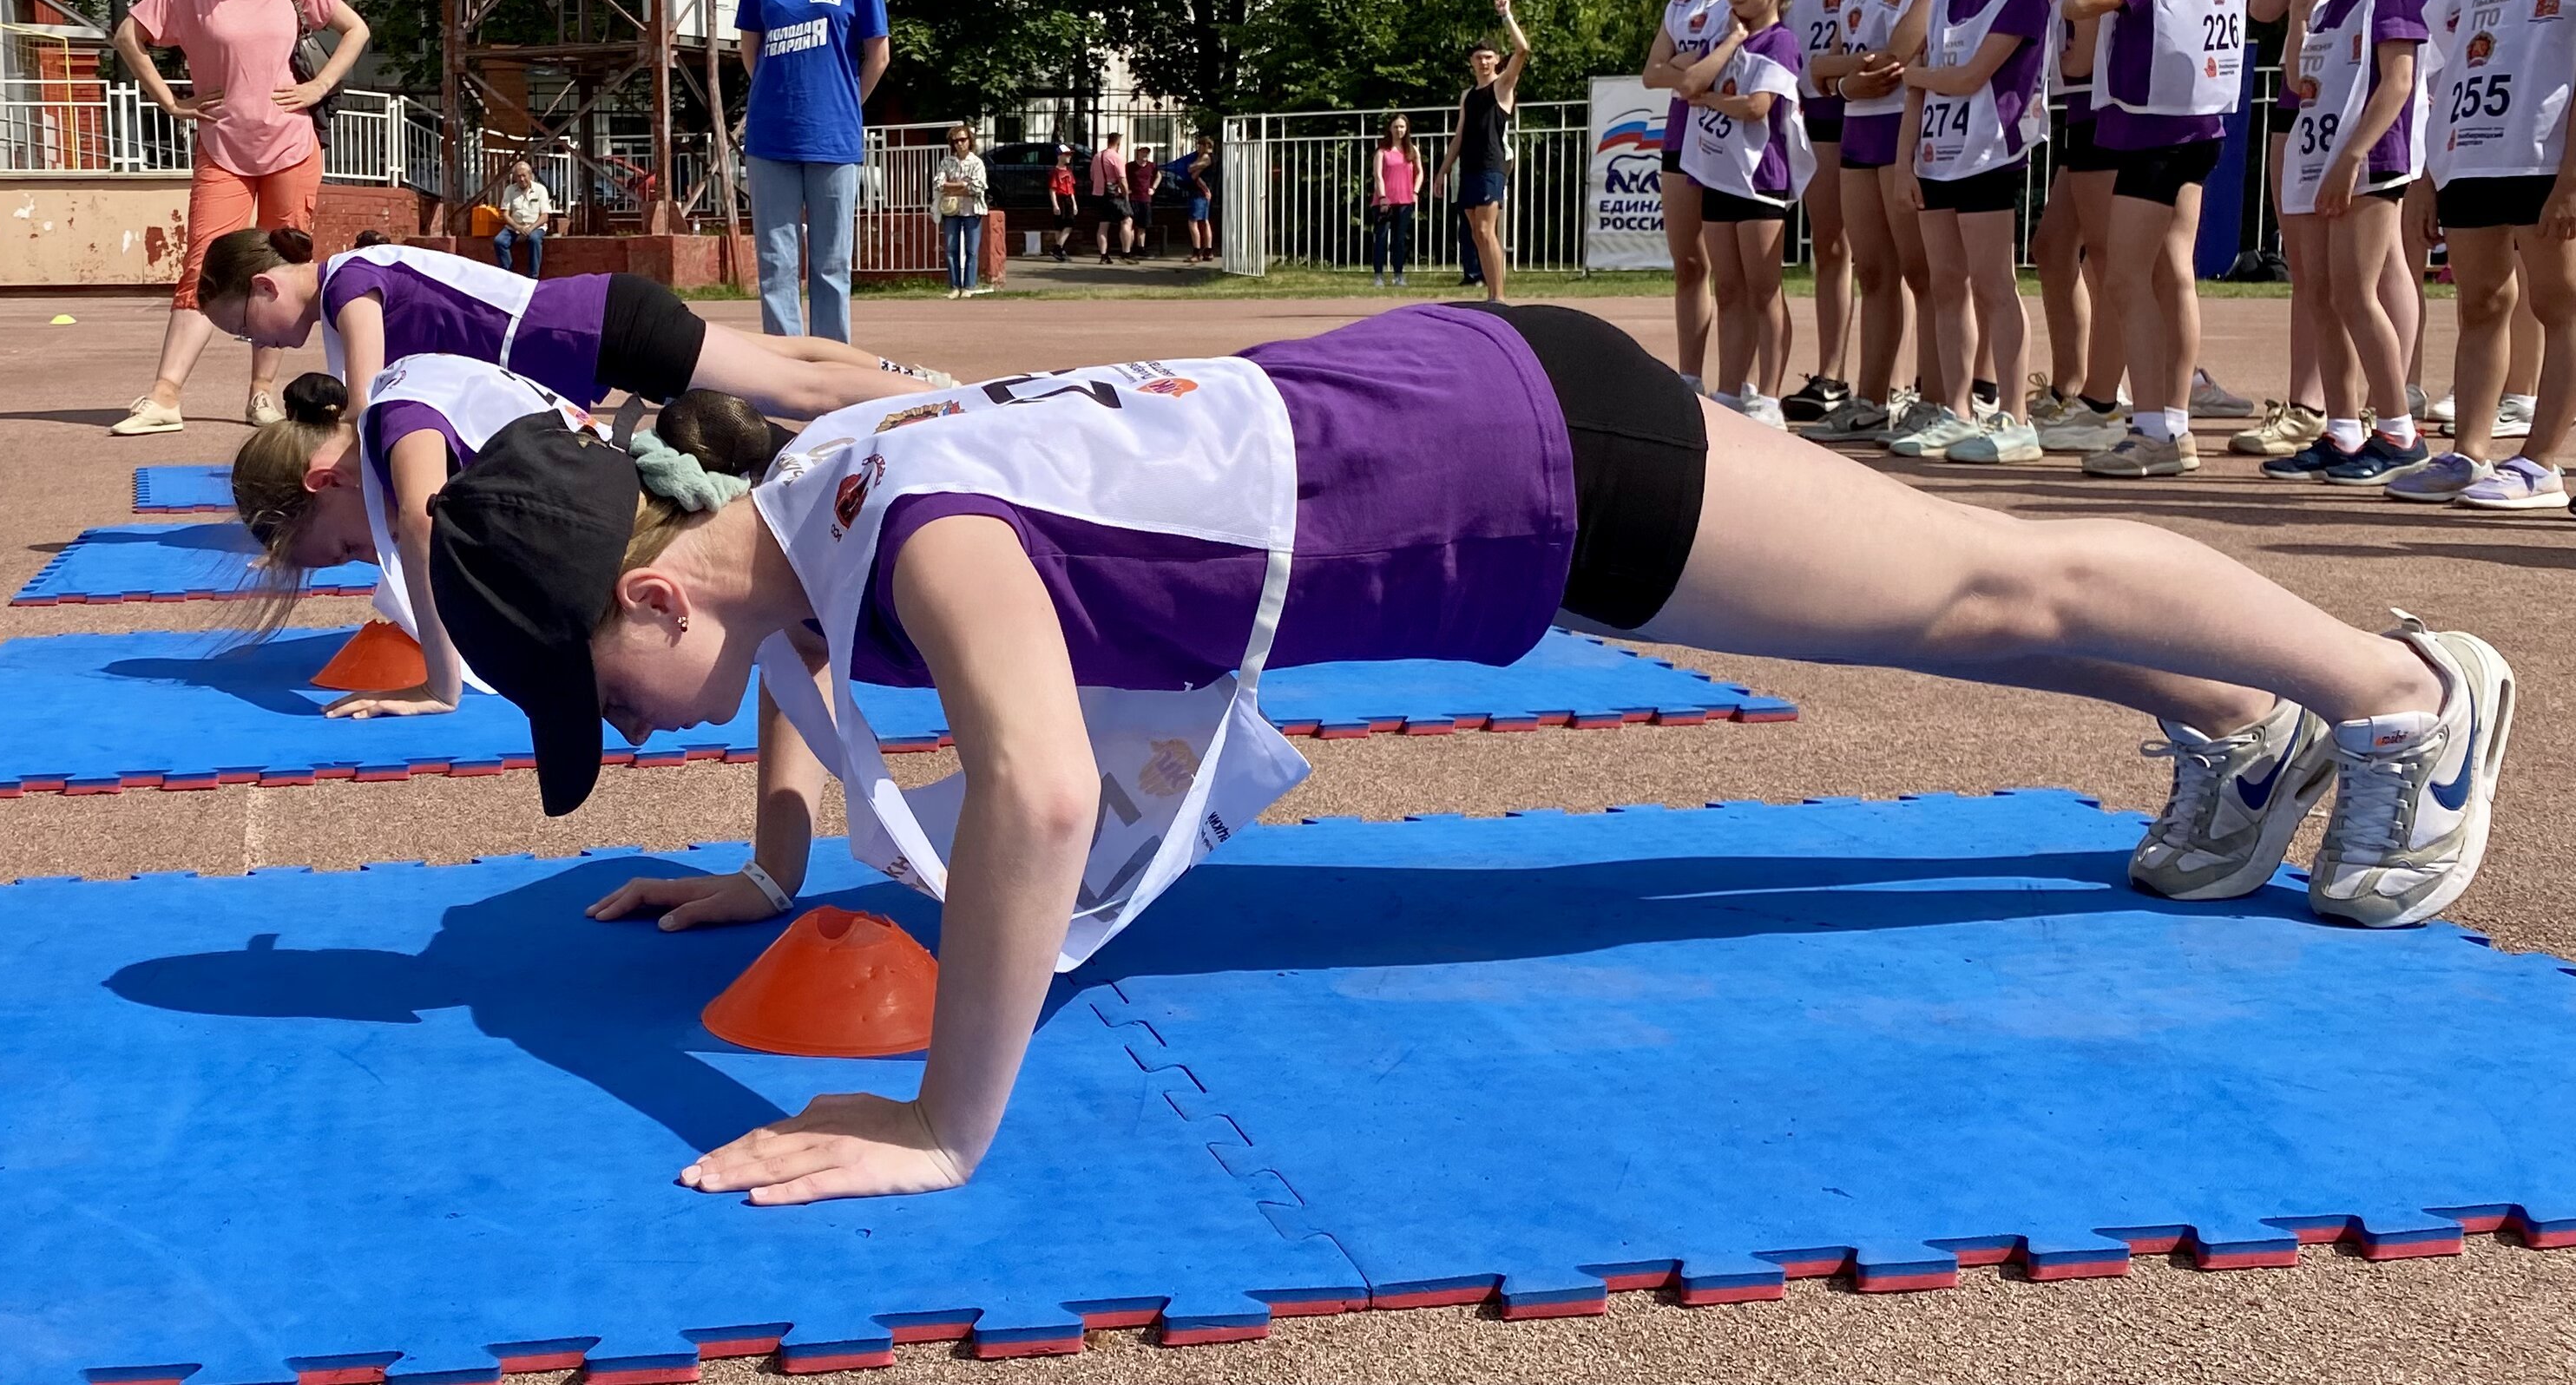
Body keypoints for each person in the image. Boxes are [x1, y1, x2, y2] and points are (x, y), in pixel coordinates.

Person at [424, 302, 2514, 1208]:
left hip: (1521, 459)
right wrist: (769, 880)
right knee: (1969, 594)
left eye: (605, 706)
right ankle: (2237, 728)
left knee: (1982, 590)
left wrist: (936, 1130)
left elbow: (1041, 798)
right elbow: (780, 681)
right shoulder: (789, 510)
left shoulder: (906, 534)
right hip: (1447, 438)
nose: (625, 741)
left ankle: (2400, 691)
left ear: (655, 595)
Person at [233, 361, 779, 718]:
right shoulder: (390, 400)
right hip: (613, 496)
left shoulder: (398, 422)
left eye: (346, 549)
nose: (370, 554)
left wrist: (437, 686)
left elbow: (425, 523)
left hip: (626, 515)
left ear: (326, 480)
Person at [2247, 0, 2472, 450]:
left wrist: (2356, 150)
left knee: (2377, 271)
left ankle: (2389, 411)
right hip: (2314, 106)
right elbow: (2269, 5)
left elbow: (2394, 31)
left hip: (2377, 125)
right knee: (2317, 276)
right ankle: (2327, 415)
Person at [108, 0, 371, 436]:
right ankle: (165, 397)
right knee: (203, 263)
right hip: (222, 148)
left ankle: (261, 396)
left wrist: (318, 86)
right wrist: (171, 101)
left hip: (293, 147)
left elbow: (355, 29)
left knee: (280, 272)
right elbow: (128, 36)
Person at [193, 230, 943, 421]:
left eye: (245, 325)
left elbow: (366, 407)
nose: (256, 342)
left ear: (265, 283)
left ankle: (942, 404)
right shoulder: (352, 277)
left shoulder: (348, 288)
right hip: (602, 318)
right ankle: (931, 385)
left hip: (599, 329)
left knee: (796, 392)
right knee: (790, 358)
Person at [2395, 0, 2576, 509]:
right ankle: (2468, 452)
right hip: (2471, 158)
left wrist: (2569, 181)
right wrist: (2428, 178)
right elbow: (2444, 76)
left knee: (2558, 305)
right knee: (2480, 303)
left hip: (2544, 163)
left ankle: (2540, 461)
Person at [2062, 0, 2249, 478]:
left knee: (2126, 279)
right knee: (2176, 275)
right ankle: (2173, 422)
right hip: (2202, 127)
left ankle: (2154, 432)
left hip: (2151, 133)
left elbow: (2081, 2)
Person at [2260, 0, 2433, 487]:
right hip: (2316, 157)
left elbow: (2399, 83)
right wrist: (2302, 11)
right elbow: (2296, 80)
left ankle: (2397, 429)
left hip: (2367, 163)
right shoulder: (2331, 4)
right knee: (2322, 296)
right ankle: (2342, 428)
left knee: (2357, 295)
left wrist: (2353, 157)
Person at [1891, 0, 2054, 464]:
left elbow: (1967, 77)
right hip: (1937, 156)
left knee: (1993, 285)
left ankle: (2015, 416)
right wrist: (1905, 160)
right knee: (1946, 285)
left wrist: (1911, 73)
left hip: (1988, 154)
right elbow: (1922, 91)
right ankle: (1955, 411)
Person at [1803, 0, 1959, 443]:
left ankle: (1938, 398)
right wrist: (1844, 72)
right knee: (1873, 269)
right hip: (1859, 126)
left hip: (1908, 126)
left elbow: (1900, 51)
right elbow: (1823, 65)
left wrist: (1841, 69)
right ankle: (1870, 397)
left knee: (1923, 273)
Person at [737, 0, 890, 344]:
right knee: (776, 266)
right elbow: (749, 48)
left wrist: (843, 103)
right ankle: (784, 377)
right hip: (770, 137)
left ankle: (830, 372)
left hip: (834, 137)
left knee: (830, 266)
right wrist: (776, 97)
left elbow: (878, 54)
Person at [2033, 0, 2138, 456]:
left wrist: (2074, 58)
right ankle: (2081, 384)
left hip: (2097, 97)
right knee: (2054, 243)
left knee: (2106, 253)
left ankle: (2107, 394)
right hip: (2108, 95)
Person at [1679, 0, 1807, 424]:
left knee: (1764, 289)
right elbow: (1688, 86)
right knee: (1729, 289)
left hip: (1760, 179)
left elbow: (1758, 107)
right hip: (1719, 176)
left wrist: (1711, 100)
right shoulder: (1729, 39)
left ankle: (1769, 394)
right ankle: (1730, 389)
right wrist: (1730, 42)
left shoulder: (1782, 41)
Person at [1781, 0, 1885, 423]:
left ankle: (1909, 377)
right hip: (1820, 108)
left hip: (1880, 106)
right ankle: (1831, 373)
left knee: (1890, 256)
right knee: (1830, 245)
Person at [1643, 0, 1764, 384]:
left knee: (1741, 275)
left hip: (1735, 137)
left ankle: (1744, 385)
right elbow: (1653, 75)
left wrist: (1685, 68)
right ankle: (1688, 379)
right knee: (1689, 263)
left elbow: (1726, 68)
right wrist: (1689, 68)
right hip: (1681, 133)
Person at [1437, 0, 1533, 305]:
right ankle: (1491, 293)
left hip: (1493, 164)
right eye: (1479, 57)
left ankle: (1499, 297)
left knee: (1485, 228)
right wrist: (1443, 171)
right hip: (1469, 166)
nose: (1484, 62)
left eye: (1489, 57)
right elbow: (1460, 135)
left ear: (1497, 60)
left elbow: (1523, 50)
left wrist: (1507, 16)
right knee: (1477, 234)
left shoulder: (1503, 86)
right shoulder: (1468, 95)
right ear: (1472, 62)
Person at [934, 125, 989, 299]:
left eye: (963, 140)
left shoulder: (977, 163)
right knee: (951, 249)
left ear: (969, 141)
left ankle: (969, 286)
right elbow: (938, 184)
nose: (959, 144)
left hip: (972, 211)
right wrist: (962, 185)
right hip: (951, 211)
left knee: (971, 250)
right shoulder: (947, 162)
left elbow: (978, 187)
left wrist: (954, 188)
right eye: (956, 141)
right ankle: (955, 286)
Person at [1370, 113, 1423, 288]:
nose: (1399, 130)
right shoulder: (1382, 151)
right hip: (1384, 202)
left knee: (1399, 240)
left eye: (1402, 127)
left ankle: (1398, 275)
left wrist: (1415, 191)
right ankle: (1378, 275)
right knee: (1381, 238)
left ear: (1406, 129)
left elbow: (1420, 172)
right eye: (1396, 127)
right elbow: (1378, 175)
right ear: (1390, 129)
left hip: (1405, 201)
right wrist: (1383, 197)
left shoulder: (1412, 150)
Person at [493, 159, 557, 278]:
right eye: (518, 176)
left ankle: (533, 275)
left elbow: (545, 216)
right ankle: (508, 274)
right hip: (514, 227)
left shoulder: (540, 190)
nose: (522, 179)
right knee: (499, 241)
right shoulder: (510, 190)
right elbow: (505, 214)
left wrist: (531, 228)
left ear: (530, 175)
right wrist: (518, 227)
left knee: (534, 240)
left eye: (524, 175)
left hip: (535, 226)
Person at [1089, 133, 1132, 265]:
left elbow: (1092, 176)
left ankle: (1103, 255)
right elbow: (1122, 179)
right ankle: (1126, 253)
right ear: (1118, 143)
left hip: (1099, 194)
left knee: (1103, 225)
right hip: (1114, 195)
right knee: (1126, 220)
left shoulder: (1097, 156)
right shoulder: (1117, 157)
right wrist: (1126, 194)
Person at [1180, 134, 1218, 262]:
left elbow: (1192, 172)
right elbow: (1192, 170)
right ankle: (1208, 250)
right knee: (1205, 221)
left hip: (1199, 193)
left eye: (1200, 146)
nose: (1198, 148)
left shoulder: (1206, 158)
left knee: (1193, 222)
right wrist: (1194, 169)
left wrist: (1194, 169)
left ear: (1205, 146)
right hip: (1203, 192)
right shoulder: (1206, 158)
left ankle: (1197, 252)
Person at [1044, 142, 1079, 263]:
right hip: (1060, 199)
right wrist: (1055, 205)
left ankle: (1059, 248)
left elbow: (1071, 190)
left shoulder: (1069, 171)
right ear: (1059, 156)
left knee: (1069, 224)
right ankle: (1058, 248)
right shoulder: (1055, 172)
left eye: (1070, 155)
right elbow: (1052, 190)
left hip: (1068, 199)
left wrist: (1074, 203)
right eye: (1066, 155)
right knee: (1061, 226)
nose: (1069, 157)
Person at [1127, 148, 1159, 259]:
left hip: (1145, 199)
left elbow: (1159, 176)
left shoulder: (1152, 166)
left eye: (1147, 152)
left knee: (1142, 225)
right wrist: (1127, 189)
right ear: (1138, 153)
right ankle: (1129, 249)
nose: (1145, 154)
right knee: (1131, 224)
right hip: (1133, 198)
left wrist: (1153, 188)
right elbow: (1123, 178)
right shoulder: (1130, 166)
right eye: (1143, 152)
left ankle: (1141, 248)